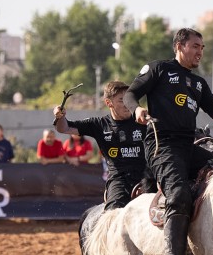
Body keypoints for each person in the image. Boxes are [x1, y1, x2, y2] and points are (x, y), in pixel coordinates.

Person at [123, 28, 213, 255]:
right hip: (162, 144)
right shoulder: (158, 69)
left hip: (188, 145)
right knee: (180, 193)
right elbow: (129, 94)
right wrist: (136, 108)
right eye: (196, 46)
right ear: (180, 46)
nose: (200, 52)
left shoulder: (198, 84)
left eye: (202, 47)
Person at [54, 80, 146, 211]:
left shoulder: (142, 119)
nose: (127, 104)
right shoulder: (99, 124)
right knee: (112, 215)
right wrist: (60, 116)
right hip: (120, 181)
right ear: (109, 103)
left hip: (147, 178)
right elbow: (64, 128)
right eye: (121, 100)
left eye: (129, 99)